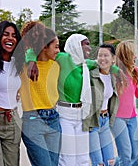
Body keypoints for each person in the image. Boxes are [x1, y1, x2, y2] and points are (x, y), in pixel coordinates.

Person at [26, 33, 96, 166]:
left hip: (81, 115)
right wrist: (31, 61)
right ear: (75, 46)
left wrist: (116, 70)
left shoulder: (85, 65)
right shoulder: (62, 58)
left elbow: (104, 63)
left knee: (83, 159)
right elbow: (34, 50)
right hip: (64, 115)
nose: (89, 47)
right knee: (67, 160)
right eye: (85, 44)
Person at [19, 21, 61, 166]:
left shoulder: (56, 65)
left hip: (54, 119)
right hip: (32, 120)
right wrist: (31, 59)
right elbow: (21, 50)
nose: (58, 50)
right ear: (44, 47)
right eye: (55, 47)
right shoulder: (23, 66)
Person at [0, 21, 24, 166]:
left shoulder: (17, 62)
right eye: (6, 34)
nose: (10, 38)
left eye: (14, 36)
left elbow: (34, 50)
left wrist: (32, 61)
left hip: (13, 120)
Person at [82, 44, 122, 166]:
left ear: (113, 58)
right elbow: (82, 63)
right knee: (98, 163)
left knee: (110, 161)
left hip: (104, 121)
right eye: (100, 55)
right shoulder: (90, 74)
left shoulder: (112, 77)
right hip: (92, 122)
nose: (102, 58)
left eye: (106, 55)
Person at [110, 41, 138, 166]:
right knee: (126, 155)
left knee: (134, 153)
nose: (135, 57)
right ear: (127, 55)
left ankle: (113, 164)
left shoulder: (135, 72)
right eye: (133, 54)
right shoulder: (113, 72)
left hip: (132, 117)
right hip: (117, 118)